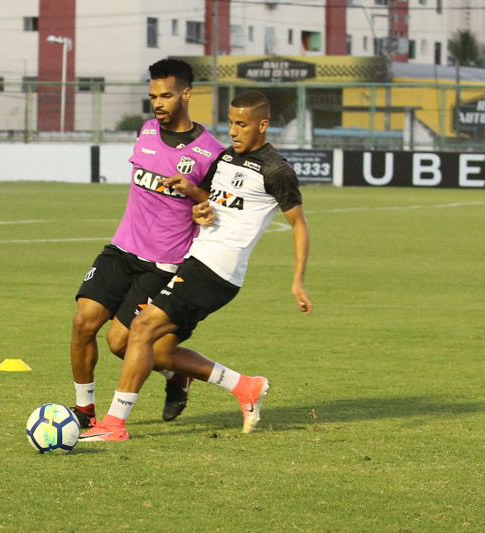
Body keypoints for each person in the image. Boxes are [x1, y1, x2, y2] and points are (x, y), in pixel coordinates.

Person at [80, 90, 313, 442]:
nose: (233, 131)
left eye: (242, 124)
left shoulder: (276, 170)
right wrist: (197, 201)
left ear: (262, 125)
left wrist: (298, 281)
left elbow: (299, 225)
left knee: (141, 329)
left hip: (217, 270)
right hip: (197, 259)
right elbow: (215, 207)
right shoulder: (224, 161)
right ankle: (245, 386)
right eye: (231, 123)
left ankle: (114, 424)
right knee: (153, 349)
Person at [70, 58, 225, 428]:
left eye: (166, 95)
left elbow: (218, 207)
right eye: (153, 95)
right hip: (121, 248)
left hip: (163, 262)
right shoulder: (146, 131)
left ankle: (176, 377)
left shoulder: (211, 152)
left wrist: (197, 195)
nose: (158, 103)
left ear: (186, 94)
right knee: (82, 323)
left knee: (120, 344)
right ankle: (84, 411)